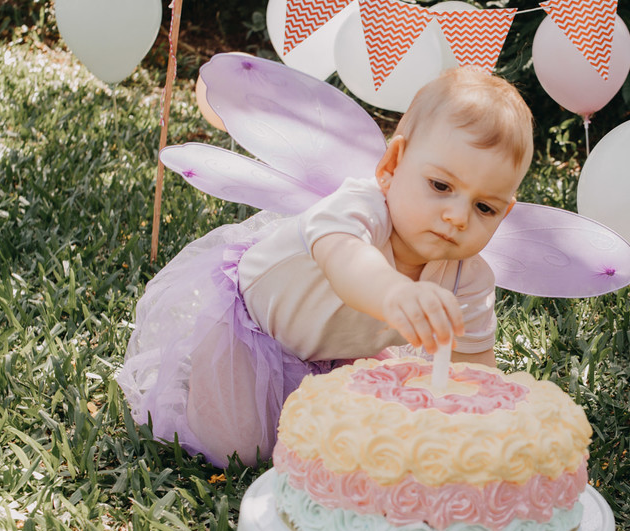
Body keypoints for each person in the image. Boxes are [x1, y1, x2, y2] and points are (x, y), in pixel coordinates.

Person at [117, 66, 534, 467]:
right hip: (251, 331)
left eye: (485, 207)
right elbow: (348, 264)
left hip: (338, 352)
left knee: (383, 426)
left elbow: (473, 366)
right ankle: (198, 383)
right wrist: (394, 292)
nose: (458, 217)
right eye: (441, 186)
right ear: (392, 166)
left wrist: (490, 421)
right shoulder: (357, 208)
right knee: (241, 450)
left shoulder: (468, 277)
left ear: (505, 212)